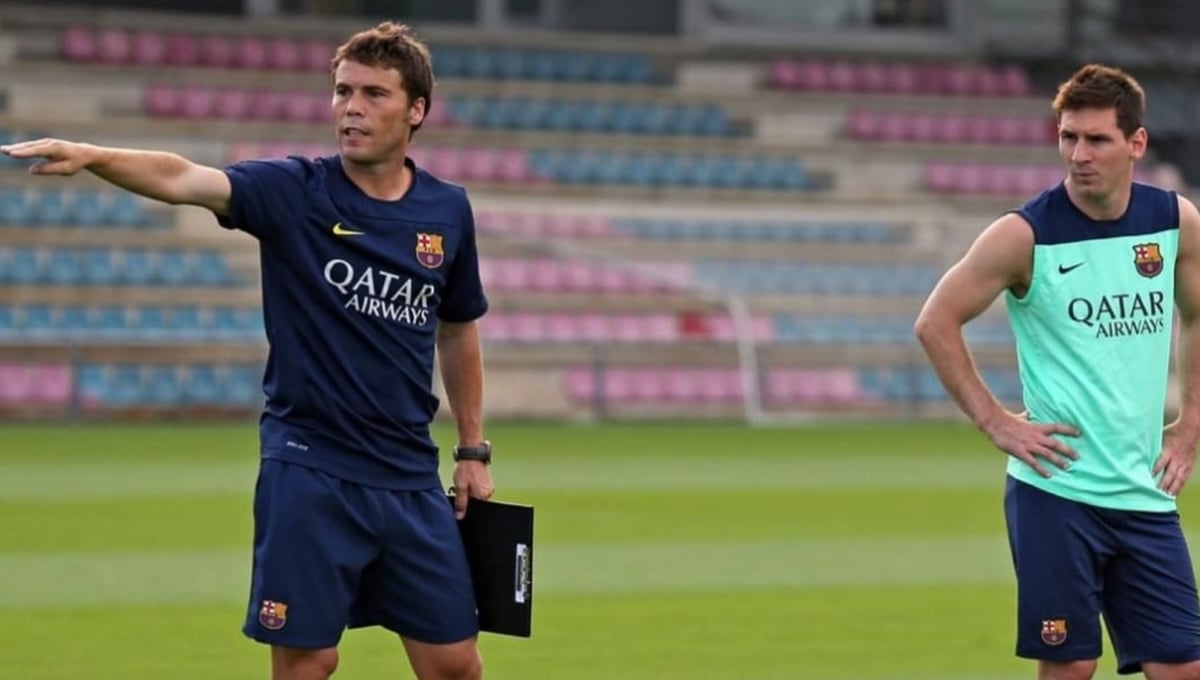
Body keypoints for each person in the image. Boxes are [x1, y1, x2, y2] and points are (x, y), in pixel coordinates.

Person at [3, 21, 495, 680]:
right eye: (342, 91)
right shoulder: (295, 191)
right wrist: (94, 155)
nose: (351, 108)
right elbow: (185, 178)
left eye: (374, 94)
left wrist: (471, 451)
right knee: (307, 663)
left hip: (409, 469)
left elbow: (458, 328)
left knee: (454, 664)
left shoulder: (447, 210)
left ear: (416, 111)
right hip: (311, 466)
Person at [914, 63, 1200, 680]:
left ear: (1136, 143)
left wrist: (1190, 423)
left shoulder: (1175, 221)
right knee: (1072, 667)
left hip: (1144, 490)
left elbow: (1198, 315)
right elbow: (935, 322)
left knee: (1181, 669)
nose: (1078, 154)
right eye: (1069, 137)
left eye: (1096, 139)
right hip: (1057, 492)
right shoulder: (1024, 235)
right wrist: (996, 422)